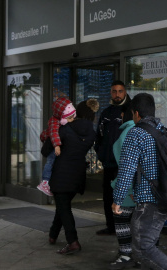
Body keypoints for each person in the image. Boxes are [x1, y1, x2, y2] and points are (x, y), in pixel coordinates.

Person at [112, 93, 167, 270]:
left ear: (135, 113)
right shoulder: (162, 130)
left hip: (149, 200)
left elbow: (126, 170)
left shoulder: (135, 133)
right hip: (165, 196)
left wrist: (118, 200)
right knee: (145, 247)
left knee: (144, 248)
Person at [48, 99, 98, 254]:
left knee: (64, 206)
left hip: (61, 173)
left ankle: (73, 241)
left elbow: (46, 149)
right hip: (78, 174)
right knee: (62, 205)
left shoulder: (64, 129)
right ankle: (52, 235)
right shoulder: (91, 133)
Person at [95, 80, 131, 236]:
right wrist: (101, 154)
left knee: (124, 197)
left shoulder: (129, 111)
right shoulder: (106, 112)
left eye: (120, 91)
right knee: (108, 196)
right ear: (111, 93)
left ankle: (123, 228)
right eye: (114, 91)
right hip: (108, 163)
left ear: (125, 92)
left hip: (123, 164)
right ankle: (111, 227)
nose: (117, 94)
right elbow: (99, 135)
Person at [108, 104, 139, 269]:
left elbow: (127, 167)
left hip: (128, 190)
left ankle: (126, 254)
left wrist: (123, 193)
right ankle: (139, 255)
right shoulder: (146, 131)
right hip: (142, 190)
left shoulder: (128, 133)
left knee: (122, 222)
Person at [37, 97, 77, 196]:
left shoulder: (61, 120)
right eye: (69, 118)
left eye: (73, 117)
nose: (72, 120)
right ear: (62, 116)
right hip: (52, 145)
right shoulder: (54, 121)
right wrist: (57, 146)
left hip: (53, 143)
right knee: (50, 162)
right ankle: (45, 182)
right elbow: (54, 134)